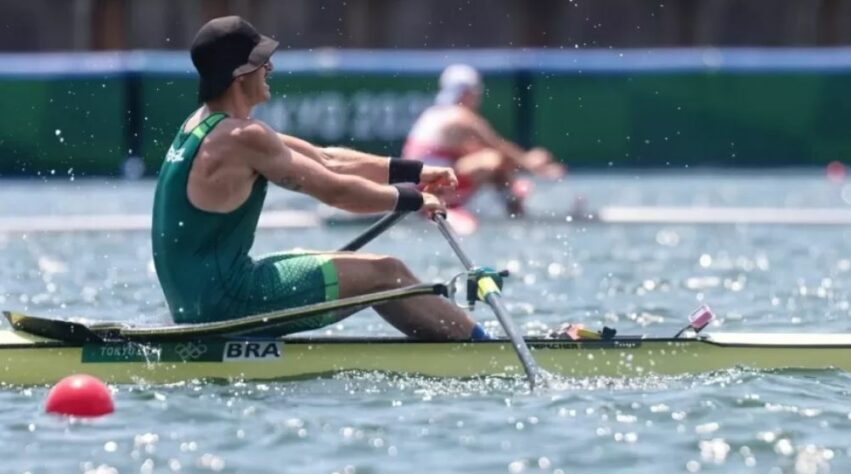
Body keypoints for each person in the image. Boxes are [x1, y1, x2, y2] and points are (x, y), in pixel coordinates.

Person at [152, 16, 489, 341]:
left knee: (327, 258)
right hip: (226, 302)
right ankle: (485, 351)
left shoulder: (201, 124)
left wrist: (415, 173)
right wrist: (416, 199)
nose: (270, 68)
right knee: (387, 273)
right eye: (262, 62)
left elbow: (327, 159)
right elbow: (336, 191)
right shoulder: (243, 137)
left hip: (197, 301)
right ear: (240, 75)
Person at [403, 64, 566, 216]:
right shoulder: (461, 117)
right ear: (467, 93)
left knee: (487, 158)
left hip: (418, 187)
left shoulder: (434, 113)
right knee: (492, 160)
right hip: (427, 190)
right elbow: (498, 146)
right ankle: (516, 209)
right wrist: (534, 166)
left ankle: (513, 200)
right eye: (476, 93)